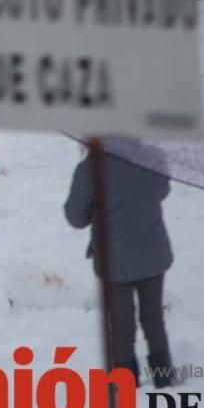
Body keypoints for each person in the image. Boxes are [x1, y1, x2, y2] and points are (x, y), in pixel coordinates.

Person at [64, 141, 174, 388]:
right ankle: (163, 375)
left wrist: (96, 208)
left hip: (114, 258)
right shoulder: (153, 156)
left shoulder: (91, 169)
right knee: (153, 317)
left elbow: (75, 216)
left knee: (121, 322)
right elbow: (162, 191)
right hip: (153, 251)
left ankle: (125, 379)